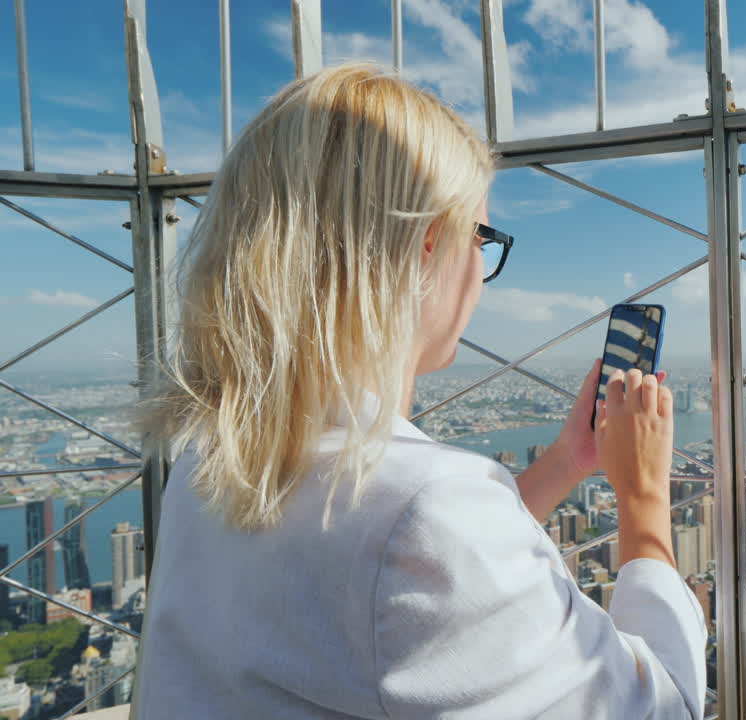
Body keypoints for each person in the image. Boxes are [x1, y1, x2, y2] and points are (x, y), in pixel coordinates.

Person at [132, 64, 707, 719]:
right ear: (429, 241)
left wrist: (565, 464)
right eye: (482, 237)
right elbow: (665, 705)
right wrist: (644, 497)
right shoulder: (423, 513)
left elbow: (385, 574)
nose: (481, 270)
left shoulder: (206, 465)